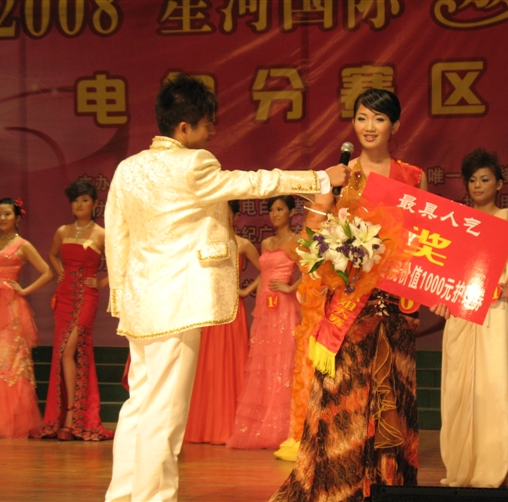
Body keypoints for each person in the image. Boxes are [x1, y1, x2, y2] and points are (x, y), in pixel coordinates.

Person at [103, 73, 349, 502]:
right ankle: (152, 498)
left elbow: (116, 235)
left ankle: (123, 495)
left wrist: (121, 296)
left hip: (140, 303)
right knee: (164, 411)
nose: (212, 131)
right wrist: (319, 179)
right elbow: (254, 182)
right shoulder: (193, 164)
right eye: (207, 124)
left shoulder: (128, 168)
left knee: (139, 405)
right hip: (178, 303)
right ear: (184, 128)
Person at [270, 88, 428, 502]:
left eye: (379, 119)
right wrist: (331, 239)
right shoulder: (341, 174)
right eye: (361, 118)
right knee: (346, 401)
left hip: (395, 309)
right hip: (350, 306)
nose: (369, 127)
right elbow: (311, 239)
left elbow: (424, 244)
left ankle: (389, 488)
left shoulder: (413, 177)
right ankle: (340, 488)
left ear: (395, 125)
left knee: (392, 398)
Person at [437, 148, 508, 488]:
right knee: (461, 391)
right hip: (462, 315)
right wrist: (441, 296)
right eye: (472, 180)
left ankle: (495, 464)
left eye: (485, 179)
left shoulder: (506, 216)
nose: (478, 185)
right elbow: (445, 265)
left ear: (499, 183)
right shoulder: (457, 218)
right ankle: (465, 466)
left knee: (495, 388)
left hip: (497, 315)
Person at [41, 180, 114, 441]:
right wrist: (61, 272)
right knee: (63, 354)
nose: (79, 204)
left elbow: (121, 263)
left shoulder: (102, 234)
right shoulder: (62, 231)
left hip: (86, 296)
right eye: (75, 200)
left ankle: (73, 417)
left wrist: (102, 282)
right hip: (64, 297)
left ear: (95, 204)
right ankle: (68, 415)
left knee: (70, 350)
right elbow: (52, 255)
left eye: (84, 200)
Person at [227, 195, 301, 449]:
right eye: (271, 210)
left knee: (283, 363)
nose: (275, 214)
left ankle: (284, 427)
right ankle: (263, 424)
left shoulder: (297, 241)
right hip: (265, 308)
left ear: (291, 212)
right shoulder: (267, 242)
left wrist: (290, 287)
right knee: (265, 363)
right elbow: (264, 272)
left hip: (285, 307)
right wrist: (248, 291)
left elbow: (312, 269)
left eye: (280, 209)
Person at [183, 200, 260, 444]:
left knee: (233, 363)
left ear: (235, 216)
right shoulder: (206, 243)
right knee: (209, 366)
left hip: (233, 311)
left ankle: (231, 426)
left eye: (226, 213)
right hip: (209, 311)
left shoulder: (243, 244)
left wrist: (246, 291)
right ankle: (207, 426)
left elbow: (267, 269)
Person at [0, 198, 52, 439]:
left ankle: (11, 421)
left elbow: (48, 272)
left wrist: (24, 290)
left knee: (9, 362)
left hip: (11, 309)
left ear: (18, 217)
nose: (2, 218)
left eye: (7, 214)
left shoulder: (23, 245)